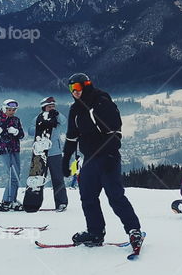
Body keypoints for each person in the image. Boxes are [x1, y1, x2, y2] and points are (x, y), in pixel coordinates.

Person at [61, 73, 142, 251]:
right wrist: (65, 159)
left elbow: (114, 132)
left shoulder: (101, 102)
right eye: (71, 89)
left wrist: (109, 155)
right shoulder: (75, 109)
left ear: (86, 86)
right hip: (90, 159)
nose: (74, 92)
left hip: (107, 158)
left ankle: (134, 230)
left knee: (115, 196)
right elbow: (72, 137)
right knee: (88, 197)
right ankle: (95, 232)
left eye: (77, 88)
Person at [34, 96, 68, 212]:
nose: (52, 108)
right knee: (38, 179)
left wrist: (57, 113)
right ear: (44, 107)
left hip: (55, 152)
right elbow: (31, 131)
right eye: (49, 106)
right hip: (40, 152)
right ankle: (34, 202)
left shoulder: (57, 118)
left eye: (53, 106)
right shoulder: (38, 118)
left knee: (58, 178)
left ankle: (61, 202)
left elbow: (64, 121)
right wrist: (39, 127)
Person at [0, 98, 25, 212]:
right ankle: (7, 200)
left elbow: (22, 135)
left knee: (16, 174)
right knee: (13, 175)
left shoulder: (16, 120)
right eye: (9, 109)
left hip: (15, 149)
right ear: (4, 109)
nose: (11, 112)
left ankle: (12, 199)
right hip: (5, 150)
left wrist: (16, 132)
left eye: (13, 110)